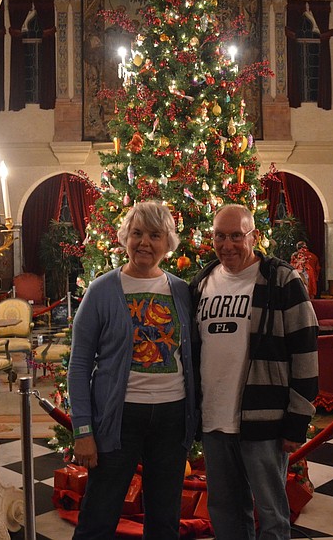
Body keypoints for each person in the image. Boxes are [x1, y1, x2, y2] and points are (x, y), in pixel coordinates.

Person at [68, 201, 198, 540]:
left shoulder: (181, 291)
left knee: (164, 520)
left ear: (168, 242)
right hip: (118, 417)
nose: (144, 242)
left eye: (155, 235)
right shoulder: (101, 291)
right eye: (137, 233)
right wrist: (83, 429)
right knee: (99, 516)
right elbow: (79, 363)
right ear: (124, 237)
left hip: (172, 416)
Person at [190, 204, 319, 540]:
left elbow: (305, 352)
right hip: (214, 420)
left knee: (272, 514)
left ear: (254, 236)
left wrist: (297, 420)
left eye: (236, 235)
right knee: (225, 511)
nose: (227, 244)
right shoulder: (202, 282)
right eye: (220, 235)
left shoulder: (280, 280)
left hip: (265, 421)